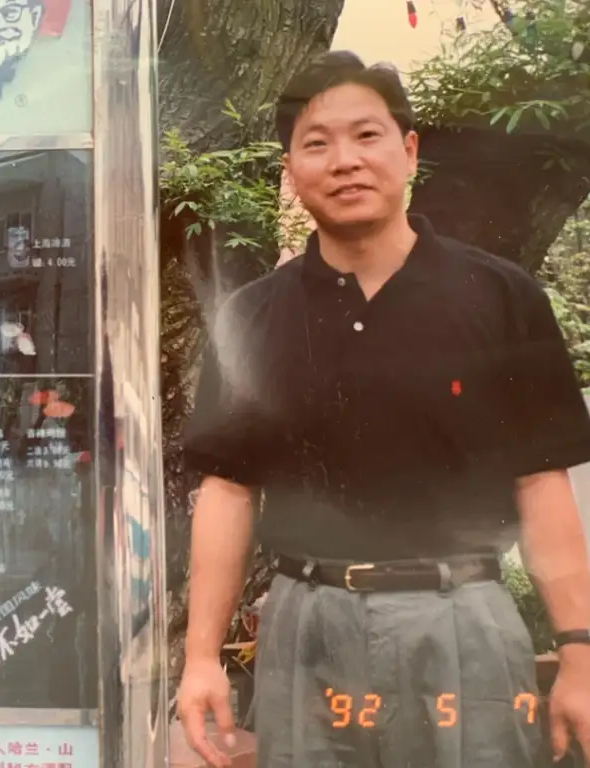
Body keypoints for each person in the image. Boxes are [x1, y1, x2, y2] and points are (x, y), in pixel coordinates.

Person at [177, 50, 590, 768]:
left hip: (465, 623)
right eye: (316, 142)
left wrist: (580, 655)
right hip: (305, 626)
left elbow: (541, 481)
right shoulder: (251, 319)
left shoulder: (499, 297)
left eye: (366, 136)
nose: (344, 161)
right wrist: (201, 658)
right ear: (291, 168)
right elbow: (228, 488)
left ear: (408, 151)